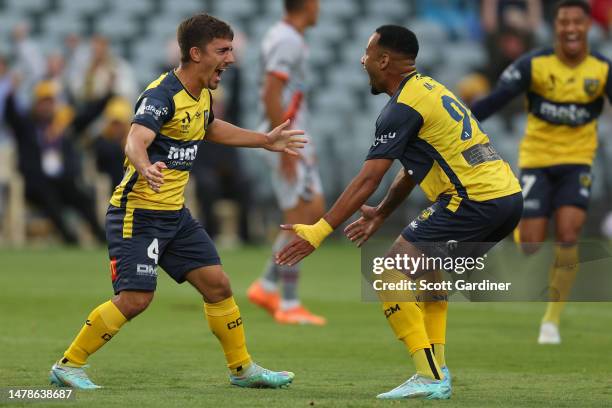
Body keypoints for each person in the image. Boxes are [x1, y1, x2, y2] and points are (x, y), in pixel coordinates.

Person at [49, 14, 306, 390]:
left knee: (218, 285)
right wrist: (145, 166)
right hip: (137, 213)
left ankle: (243, 369)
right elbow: (135, 140)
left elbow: (210, 127)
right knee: (136, 299)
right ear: (196, 53)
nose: (231, 59)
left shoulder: (201, 93)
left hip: (174, 216)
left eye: (231, 49)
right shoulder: (161, 95)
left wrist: (264, 140)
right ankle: (68, 364)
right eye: (223, 50)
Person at [276, 25, 523, 399]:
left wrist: (320, 229)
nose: (362, 61)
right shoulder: (430, 89)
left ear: (384, 60)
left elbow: (367, 179)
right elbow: (413, 167)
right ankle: (438, 372)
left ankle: (429, 375)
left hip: (473, 199)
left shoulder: (401, 108)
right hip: (506, 196)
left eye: (367, 54)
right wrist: (381, 213)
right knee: (428, 277)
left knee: (390, 270)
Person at [471, 0, 612, 345]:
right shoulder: (534, 65)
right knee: (531, 243)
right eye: (563, 22)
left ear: (587, 27)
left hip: (577, 162)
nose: (570, 28)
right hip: (537, 160)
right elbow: (494, 101)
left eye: (577, 22)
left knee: (568, 234)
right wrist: (456, 124)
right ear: (556, 27)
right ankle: (512, 236)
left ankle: (551, 320)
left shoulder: (602, 69)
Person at [246, 0, 327, 326]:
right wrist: (282, 146)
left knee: (310, 211)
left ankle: (267, 285)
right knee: (302, 217)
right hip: (285, 137)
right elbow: (271, 92)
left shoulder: (285, 36)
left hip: (291, 136)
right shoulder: (287, 39)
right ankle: (289, 302)